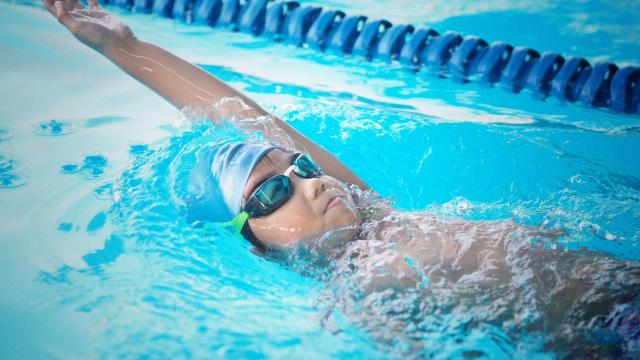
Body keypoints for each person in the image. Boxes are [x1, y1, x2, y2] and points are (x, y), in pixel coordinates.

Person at [44, 0, 639, 356]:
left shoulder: (377, 215)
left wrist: (126, 47)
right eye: (272, 191)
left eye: (299, 168)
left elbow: (248, 119)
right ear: (250, 241)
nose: (309, 181)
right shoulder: (355, 296)